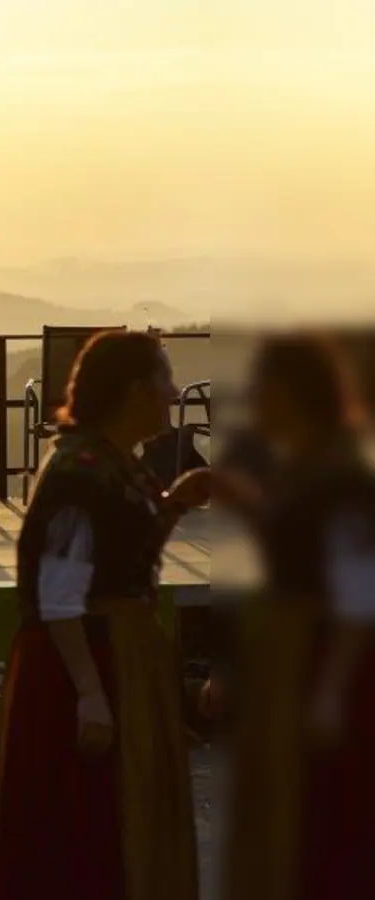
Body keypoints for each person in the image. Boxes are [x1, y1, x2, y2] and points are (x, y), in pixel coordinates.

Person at [0, 330, 207, 900]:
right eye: (164, 380)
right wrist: (89, 692)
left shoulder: (114, 462)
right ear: (134, 390)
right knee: (90, 819)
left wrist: (177, 503)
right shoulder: (78, 471)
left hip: (123, 652)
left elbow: (125, 552)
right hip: (89, 656)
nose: (173, 392)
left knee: (127, 810)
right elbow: (59, 593)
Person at [213, 334, 375, 900]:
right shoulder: (306, 469)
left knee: (320, 811)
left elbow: (358, 593)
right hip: (292, 656)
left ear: (288, 393)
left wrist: (331, 690)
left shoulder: (341, 479)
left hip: (321, 657)